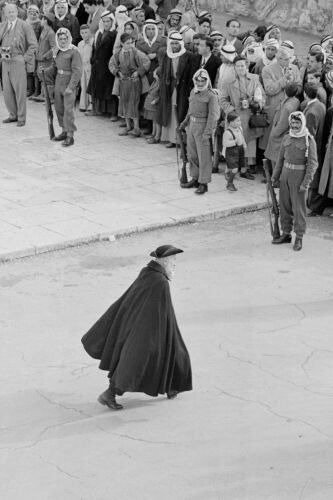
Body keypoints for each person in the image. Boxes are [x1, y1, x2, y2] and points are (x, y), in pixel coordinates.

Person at [81, 244, 192, 410]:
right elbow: (161, 312)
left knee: (172, 354)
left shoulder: (147, 272)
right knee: (134, 364)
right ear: (165, 261)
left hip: (139, 325)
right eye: (173, 260)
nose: (175, 263)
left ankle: (171, 387)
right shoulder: (160, 282)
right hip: (148, 331)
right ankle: (109, 394)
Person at [271, 112, 318, 251]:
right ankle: (286, 234)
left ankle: (299, 237)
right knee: (284, 207)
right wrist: (275, 176)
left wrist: (306, 183)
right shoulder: (287, 137)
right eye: (292, 123)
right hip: (285, 175)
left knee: (298, 209)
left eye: (297, 123)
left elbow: (313, 164)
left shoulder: (309, 140)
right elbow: (280, 159)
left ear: (302, 123)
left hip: (299, 177)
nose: (295, 125)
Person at [221, 55, 265, 177]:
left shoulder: (255, 79)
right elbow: (223, 100)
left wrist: (257, 104)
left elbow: (263, 96)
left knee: (248, 144)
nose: (241, 68)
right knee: (234, 144)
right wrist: (232, 111)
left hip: (249, 117)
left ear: (247, 66)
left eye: (243, 65)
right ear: (234, 67)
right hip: (234, 118)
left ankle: (245, 169)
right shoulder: (227, 81)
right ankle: (232, 168)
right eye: (238, 65)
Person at [179, 69, 219, 195]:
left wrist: (207, 133)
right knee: (192, 155)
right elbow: (190, 110)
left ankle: (203, 183)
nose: (200, 83)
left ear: (207, 81)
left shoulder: (211, 96)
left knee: (204, 157)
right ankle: (195, 178)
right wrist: (184, 123)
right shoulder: (193, 91)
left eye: (203, 80)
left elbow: (213, 116)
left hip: (203, 127)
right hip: (191, 126)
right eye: (198, 80)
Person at [0, 3, 37, 126]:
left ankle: (21, 117)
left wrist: (24, 59)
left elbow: (33, 45)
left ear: (17, 12)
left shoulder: (25, 26)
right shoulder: (2, 26)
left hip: (18, 60)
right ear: (5, 14)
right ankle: (13, 115)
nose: (10, 14)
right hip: (5, 62)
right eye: (8, 12)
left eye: (12, 11)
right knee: (7, 91)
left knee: (20, 90)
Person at [44, 27, 82, 146]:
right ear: (57, 39)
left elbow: (77, 71)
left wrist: (71, 87)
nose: (63, 41)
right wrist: (45, 71)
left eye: (65, 38)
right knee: (59, 108)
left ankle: (70, 136)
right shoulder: (57, 51)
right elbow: (54, 67)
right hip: (58, 82)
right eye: (60, 39)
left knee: (68, 111)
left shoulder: (74, 51)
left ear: (69, 38)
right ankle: (64, 131)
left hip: (69, 82)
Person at [109, 32, 150, 137]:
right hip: (123, 83)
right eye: (127, 43)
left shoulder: (136, 52)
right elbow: (111, 64)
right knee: (124, 103)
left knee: (133, 104)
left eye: (131, 43)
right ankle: (128, 127)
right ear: (122, 43)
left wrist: (138, 72)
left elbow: (146, 62)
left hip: (134, 83)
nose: (130, 45)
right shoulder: (118, 54)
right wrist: (117, 72)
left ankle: (136, 128)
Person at [260, 47, 301, 153]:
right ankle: (267, 161)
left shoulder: (295, 68)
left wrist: (293, 87)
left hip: (290, 107)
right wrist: (284, 80)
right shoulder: (267, 70)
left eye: (290, 58)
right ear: (279, 59)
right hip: (274, 108)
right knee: (271, 135)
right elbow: (269, 90)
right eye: (286, 59)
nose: (289, 61)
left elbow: (299, 87)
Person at [156, 30, 193, 148]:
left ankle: (180, 140)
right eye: (172, 43)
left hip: (182, 89)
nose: (174, 46)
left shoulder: (188, 55)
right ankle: (171, 139)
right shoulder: (167, 55)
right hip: (169, 88)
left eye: (176, 43)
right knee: (170, 112)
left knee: (180, 112)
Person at [86, 10, 117, 117]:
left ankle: (112, 113)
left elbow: (114, 51)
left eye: (108, 21)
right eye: (104, 21)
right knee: (97, 88)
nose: (106, 23)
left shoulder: (114, 34)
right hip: (97, 65)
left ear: (112, 22)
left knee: (109, 90)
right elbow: (94, 49)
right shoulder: (98, 33)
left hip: (107, 66)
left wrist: (109, 64)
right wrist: (93, 60)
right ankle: (97, 110)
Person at [265, 83, 300, 171]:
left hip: (279, 137)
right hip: (284, 135)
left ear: (284, 91)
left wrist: (273, 133)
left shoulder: (287, 107)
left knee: (276, 160)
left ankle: (275, 180)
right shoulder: (295, 101)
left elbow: (282, 125)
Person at [33, 12, 56, 103]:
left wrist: (45, 56)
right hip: (40, 59)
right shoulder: (44, 30)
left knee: (47, 78)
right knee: (41, 77)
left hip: (46, 61)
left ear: (46, 20)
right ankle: (43, 95)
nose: (41, 20)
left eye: (42, 19)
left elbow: (54, 48)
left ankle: (50, 98)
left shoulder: (51, 33)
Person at [222, 111, 247, 192]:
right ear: (231, 122)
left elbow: (242, 137)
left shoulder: (240, 128)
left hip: (239, 150)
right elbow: (225, 143)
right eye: (237, 121)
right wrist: (233, 142)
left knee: (237, 167)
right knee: (235, 169)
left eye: (240, 120)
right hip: (231, 151)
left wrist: (244, 144)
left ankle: (229, 173)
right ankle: (230, 183)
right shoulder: (227, 133)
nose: (240, 122)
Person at [26, 4, 42, 98]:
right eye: (31, 13)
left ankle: (37, 90)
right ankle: (29, 89)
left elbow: (40, 38)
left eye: (34, 13)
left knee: (36, 71)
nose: (33, 15)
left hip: (36, 49)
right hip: (27, 49)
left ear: (38, 14)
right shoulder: (25, 22)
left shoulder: (39, 24)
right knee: (28, 71)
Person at [77, 23, 93, 112]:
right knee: (83, 85)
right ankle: (83, 104)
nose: (84, 35)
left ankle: (91, 103)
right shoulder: (80, 44)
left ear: (89, 32)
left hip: (90, 67)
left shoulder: (93, 42)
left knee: (90, 85)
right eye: (82, 33)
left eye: (86, 32)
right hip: (83, 67)